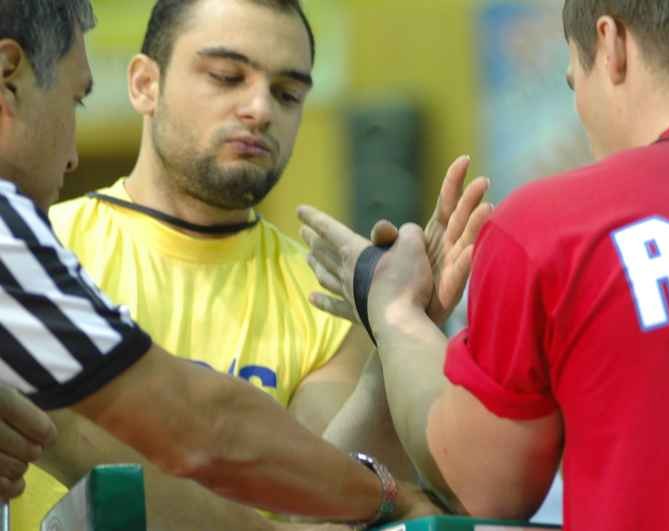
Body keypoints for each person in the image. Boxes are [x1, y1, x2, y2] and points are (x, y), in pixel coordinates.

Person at [298, 1, 669, 530]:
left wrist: (396, 312)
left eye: (571, 82)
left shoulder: (560, 224)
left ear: (611, 44)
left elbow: (484, 479)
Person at [0, 0, 483, 527]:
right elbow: (206, 429)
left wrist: (399, 337)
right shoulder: (37, 248)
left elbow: (309, 509)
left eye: (288, 92)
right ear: (144, 84)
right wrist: (392, 497)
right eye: (227, 76)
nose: (259, 108)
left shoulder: (326, 293)